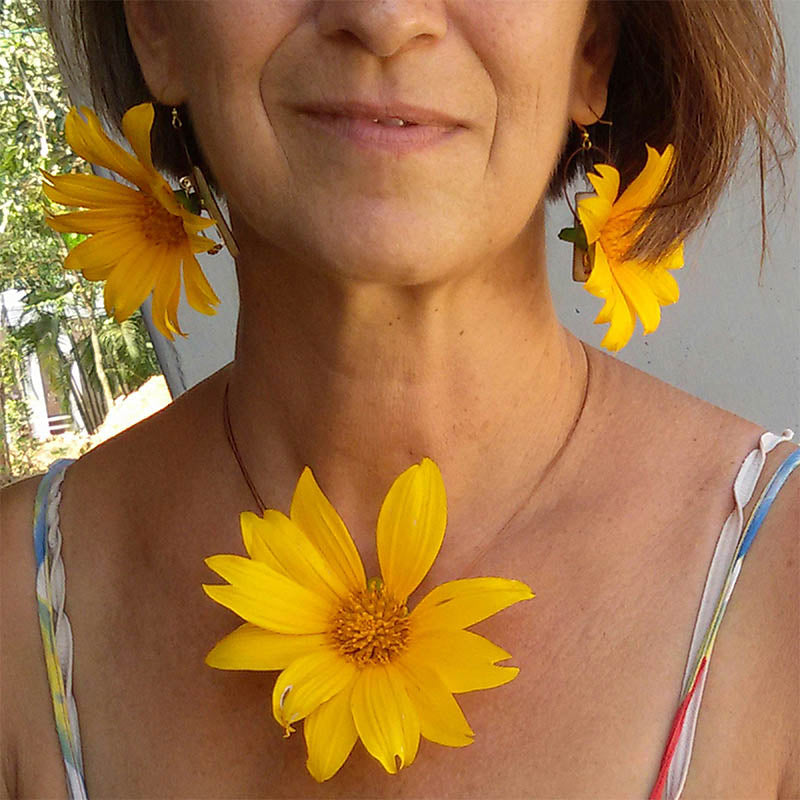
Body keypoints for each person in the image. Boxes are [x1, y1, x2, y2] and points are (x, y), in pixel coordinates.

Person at [1, 1, 797, 797]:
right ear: (156, 25)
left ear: (592, 44)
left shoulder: (780, 594)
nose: (383, 17)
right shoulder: (18, 612)